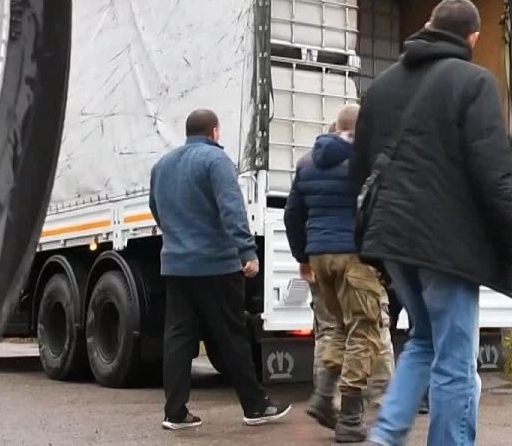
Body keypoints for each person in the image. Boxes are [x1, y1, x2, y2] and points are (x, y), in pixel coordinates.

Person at [350, 0, 512, 445]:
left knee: (423, 341)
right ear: (471, 37)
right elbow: (493, 176)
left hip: (391, 238)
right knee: (456, 362)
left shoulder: (379, 89)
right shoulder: (474, 82)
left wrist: (371, 241)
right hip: (444, 245)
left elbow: (357, 174)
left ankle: (385, 438)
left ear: (429, 26)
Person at [150, 109, 291, 430]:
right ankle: (255, 407)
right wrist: (247, 251)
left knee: (178, 338)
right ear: (214, 132)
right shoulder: (216, 161)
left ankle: (175, 412)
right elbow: (231, 208)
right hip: (216, 265)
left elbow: (155, 208)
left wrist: (177, 239)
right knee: (231, 335)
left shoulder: (162, 166)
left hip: (176, 265)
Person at [284, 105, 390, 442]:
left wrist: (303, 256)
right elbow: (380, 211)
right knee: (365, 332)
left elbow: (292, 214)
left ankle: (323, 393)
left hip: (320, 257)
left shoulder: (307, 163)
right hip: (355, 258)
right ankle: (350, 418)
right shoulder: (365, 162)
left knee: (341, 329)